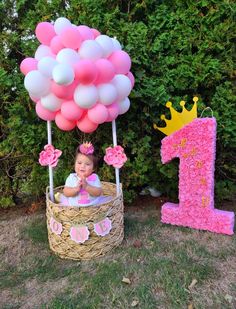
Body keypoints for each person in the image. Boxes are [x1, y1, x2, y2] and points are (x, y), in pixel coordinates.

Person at [58, 142, 108, 207]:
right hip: (74, 207)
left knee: (102, 212)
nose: (82, 166)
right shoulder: (72, 177)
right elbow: (66, 192)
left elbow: (98, 192)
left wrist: (87, 187)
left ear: (93, 168)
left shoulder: (94, 177)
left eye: (87, 164)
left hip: (93, 207)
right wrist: (75, 189)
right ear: (74, 164)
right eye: (79, 163)